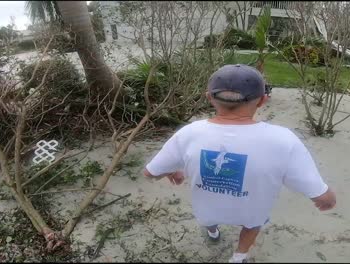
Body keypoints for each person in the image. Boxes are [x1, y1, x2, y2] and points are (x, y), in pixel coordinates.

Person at [143, 64, 336, 263]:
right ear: (262, 100)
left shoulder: (189, 133)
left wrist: (169, 171)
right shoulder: (283, 140)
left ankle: (212, 232)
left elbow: (150, 173)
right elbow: (319, 192)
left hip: (207, 209)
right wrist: (325, 198)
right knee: (253, 225)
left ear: (209, 97)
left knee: (209, 219)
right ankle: (238, 257)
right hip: (252, 211)